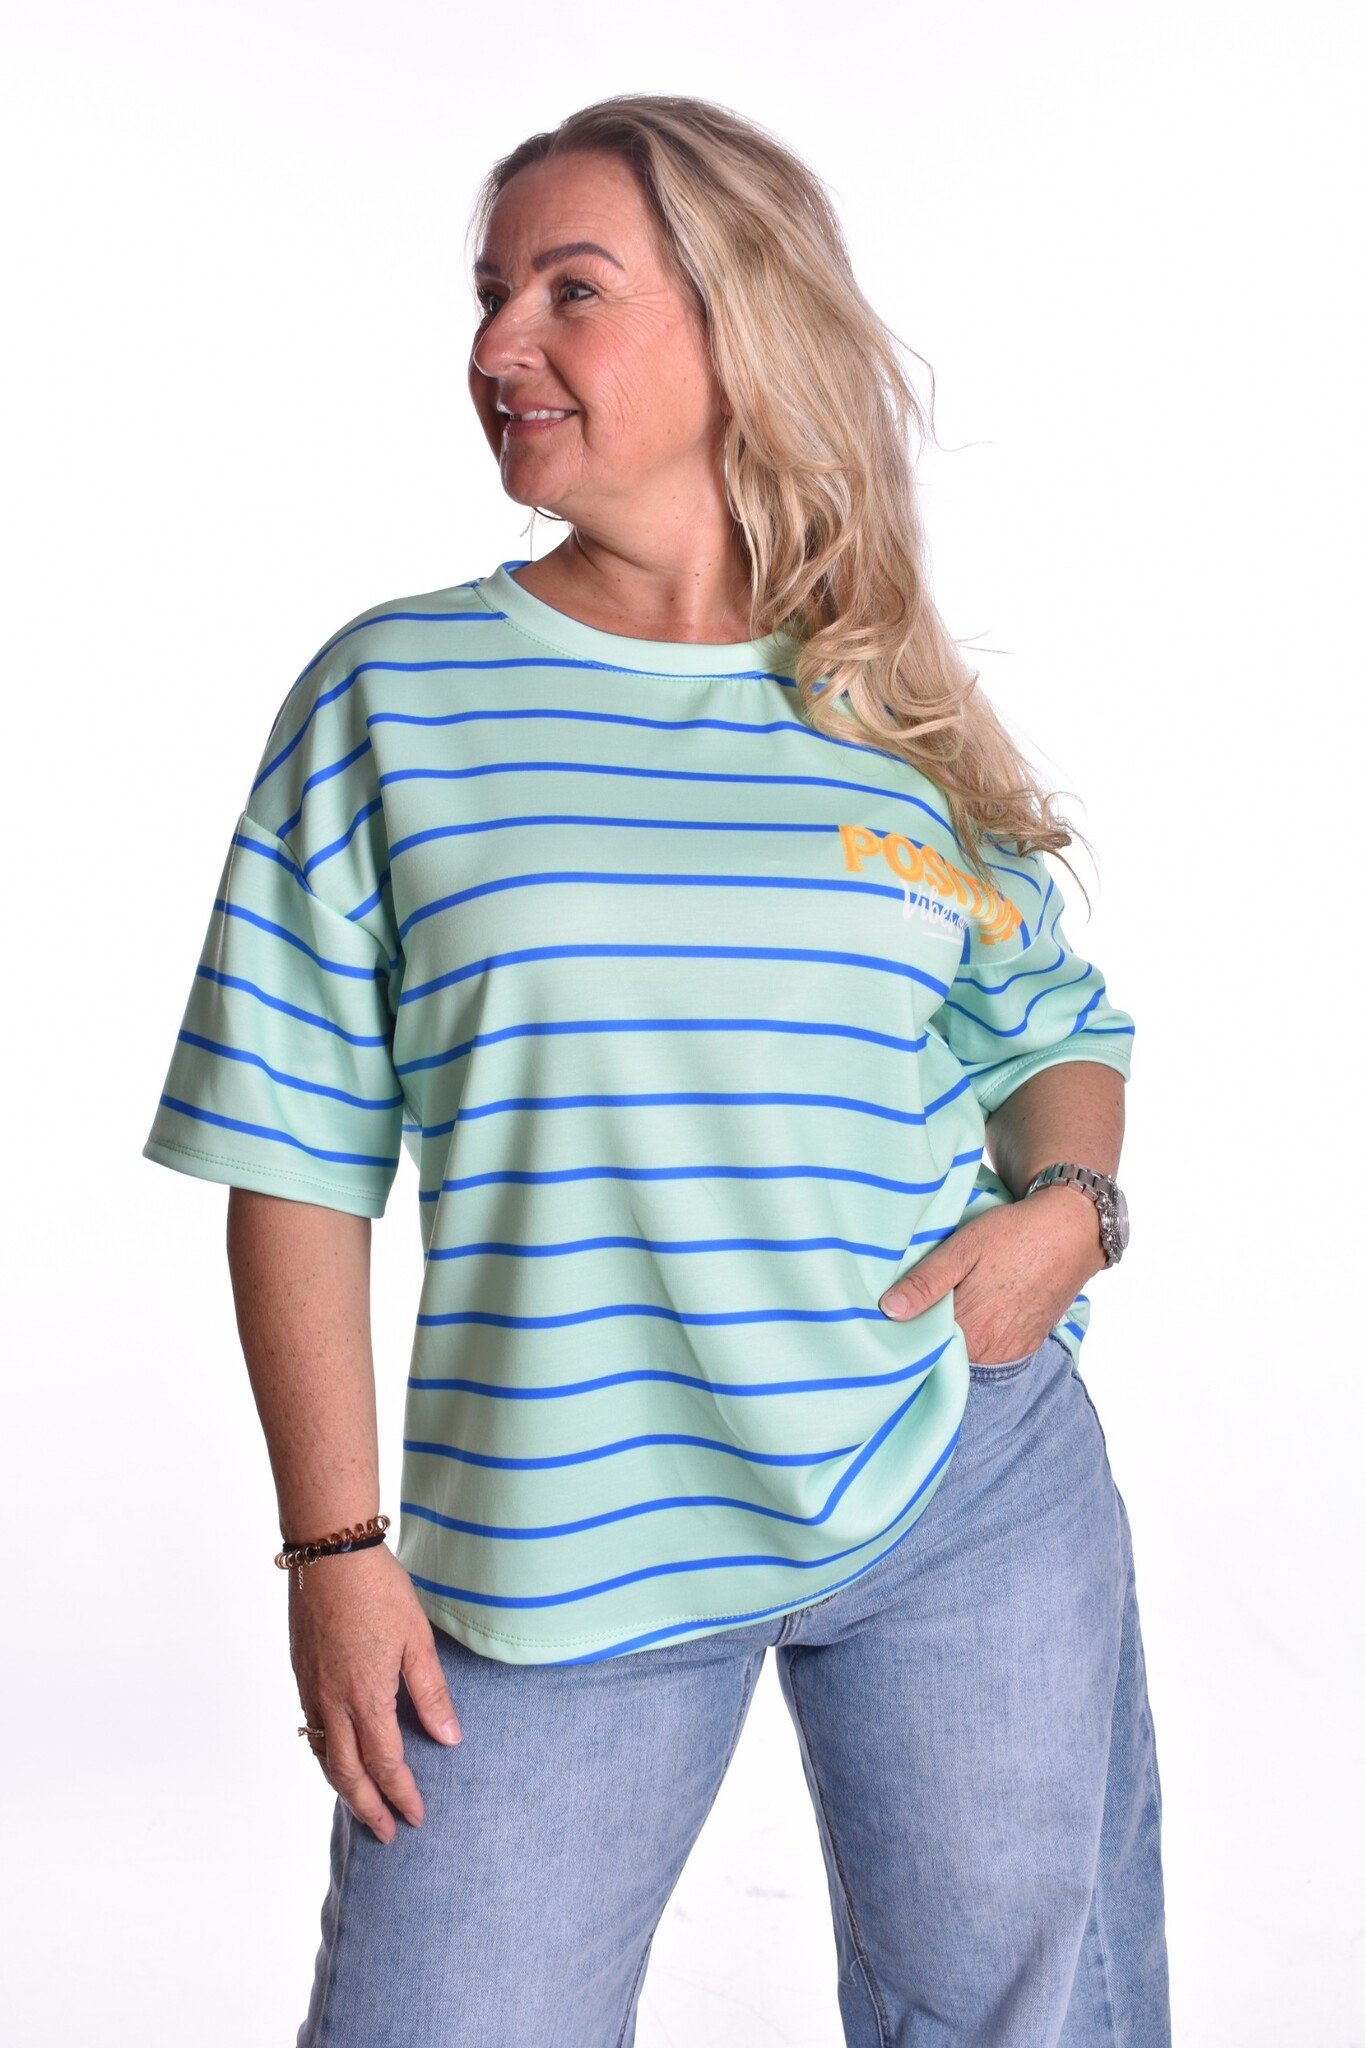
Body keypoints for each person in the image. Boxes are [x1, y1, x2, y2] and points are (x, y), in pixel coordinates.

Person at [142, 92, 1170, 2048]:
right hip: (553, 1536)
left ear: (732, 328)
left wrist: (1067, 1208)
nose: (497, 343)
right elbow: (295, 1151)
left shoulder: (878, 701)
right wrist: (336, 1552)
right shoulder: (394, 698)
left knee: (1023, 2017)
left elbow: (1047, 1024)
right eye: (488, 293)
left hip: (955, 1471)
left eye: (569, 290)